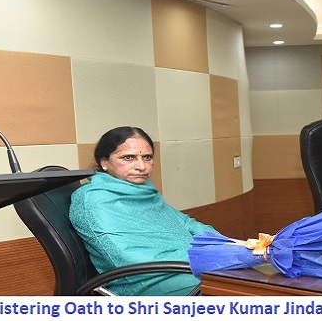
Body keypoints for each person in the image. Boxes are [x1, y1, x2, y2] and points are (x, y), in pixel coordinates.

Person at [69, 126, 218, 296]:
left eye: (147, 157)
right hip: (146, 280)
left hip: (183, 268)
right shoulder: (93, 199)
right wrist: (204, 258)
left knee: (243, 275)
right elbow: (123, 256)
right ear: (104, 162)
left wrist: (225, 245)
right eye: (129, 157)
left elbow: (185, 223)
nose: (141, 166)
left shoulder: (143, 190)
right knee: (233, 285)